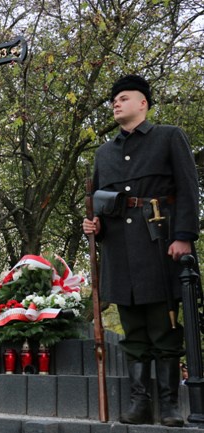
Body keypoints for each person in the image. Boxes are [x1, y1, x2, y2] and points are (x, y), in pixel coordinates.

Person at [83, 75, 199, 428]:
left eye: (123, 98)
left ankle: (168, 407)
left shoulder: (168, 137)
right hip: (120, 252)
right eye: (114, 100)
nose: (116, 104)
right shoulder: (105, 152)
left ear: (143, 103)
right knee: (133, 331)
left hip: (160, 245)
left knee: (164, 329)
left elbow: (188, 188)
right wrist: (95, 227)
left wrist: (183, 235)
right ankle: (139, 404)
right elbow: (103, 204)